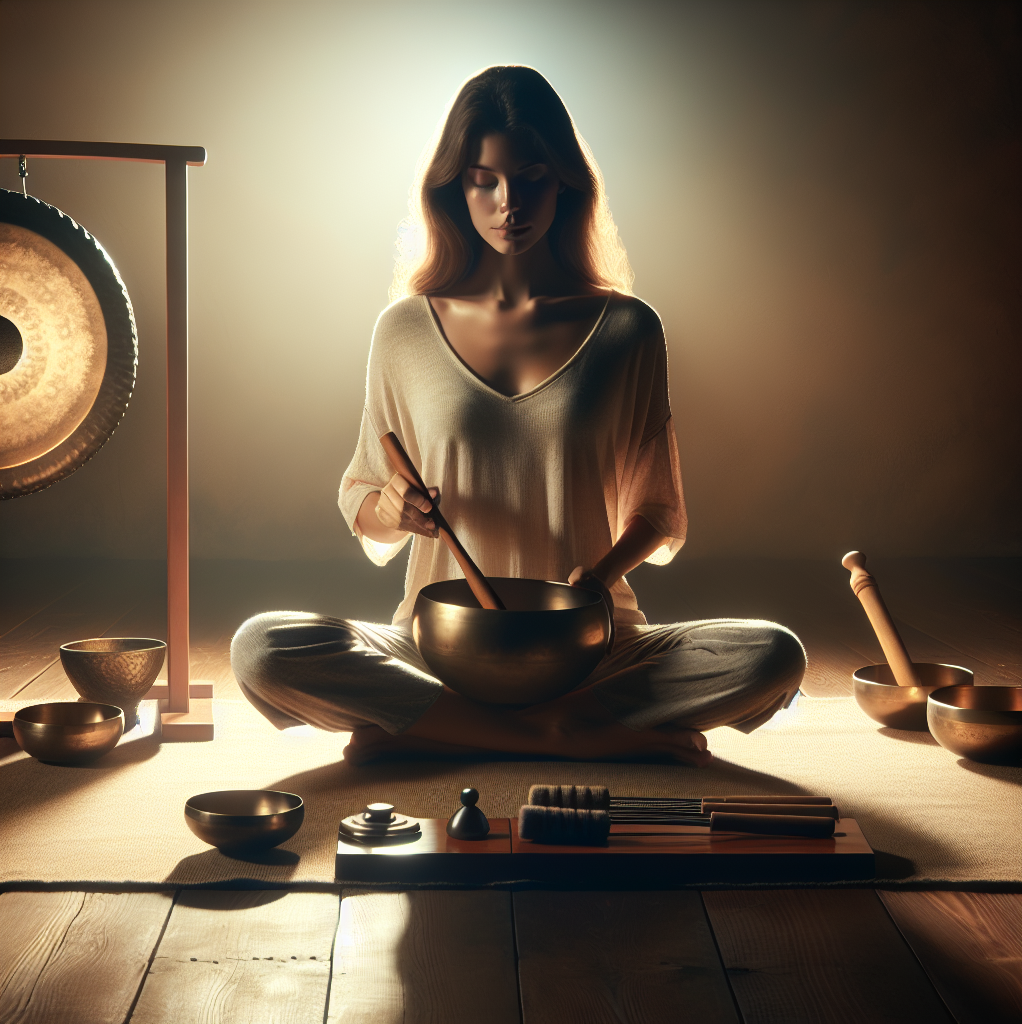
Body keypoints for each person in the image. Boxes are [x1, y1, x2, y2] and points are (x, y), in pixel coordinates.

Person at [231, 66, 805, 765]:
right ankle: (571, 736)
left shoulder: (628, 330)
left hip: (593, 648)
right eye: (484, 179)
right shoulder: (404, 330)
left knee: (773, 654)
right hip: (439, 647)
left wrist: (599, 576)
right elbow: (363, 500)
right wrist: (394, 505)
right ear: (454, 186)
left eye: (531, 176)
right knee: (262, 647)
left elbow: (659, 515)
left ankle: (441, 731)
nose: (510, 202)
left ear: (564, 180)